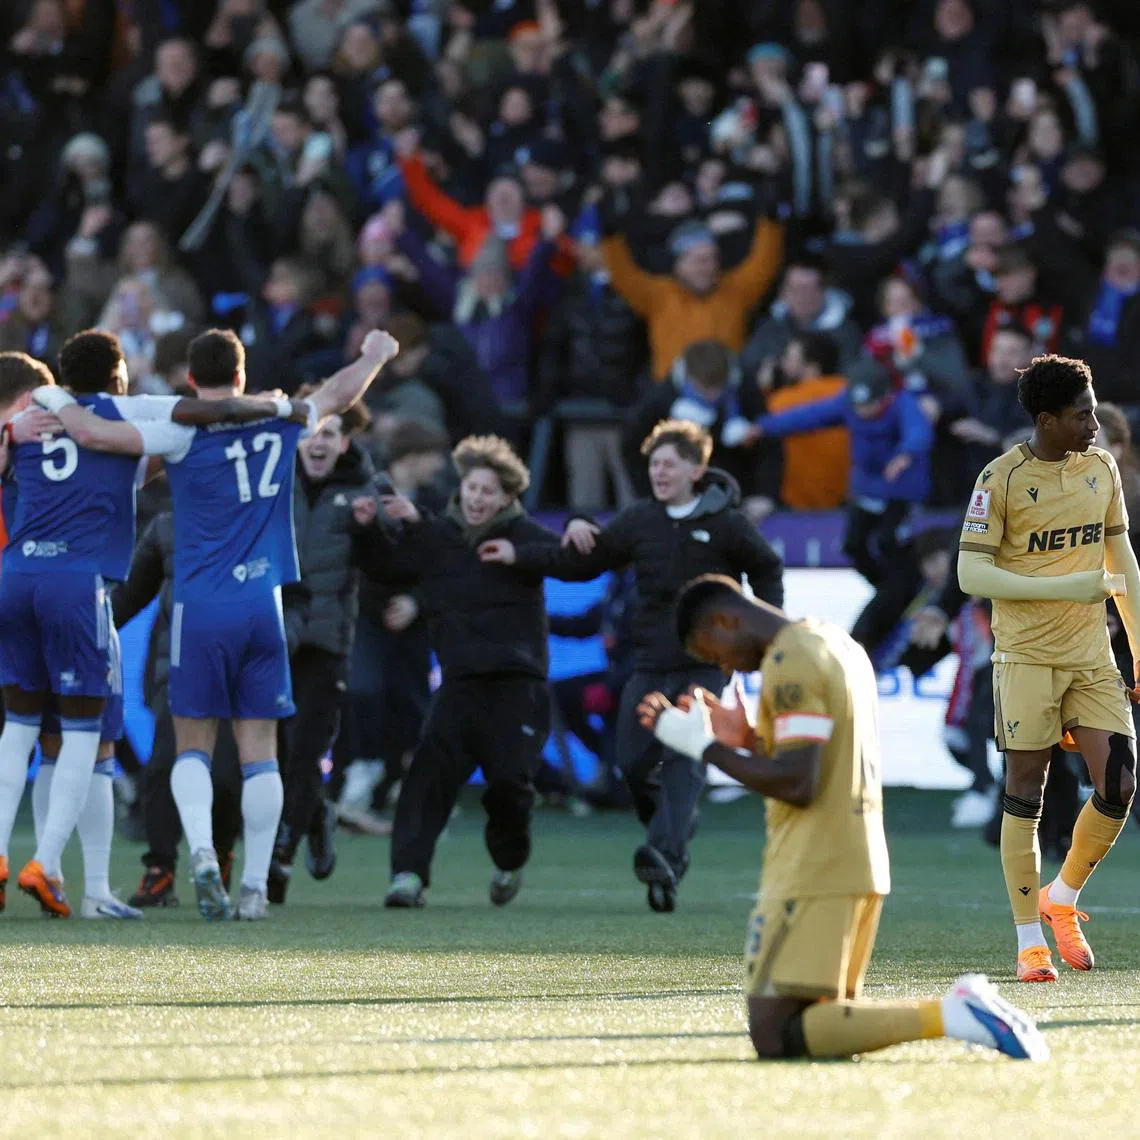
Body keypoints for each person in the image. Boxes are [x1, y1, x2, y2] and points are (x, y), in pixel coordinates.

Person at [38, 327, 401, 921]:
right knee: (261, 753)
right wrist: (375, 355)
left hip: (199, 608)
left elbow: (94, 433)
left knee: (192, 748)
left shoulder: (179, 430)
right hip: (264, 603)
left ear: (190, 380)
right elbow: (337, 393)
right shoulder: (280, 421)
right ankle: (254, 887)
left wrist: (50, 399)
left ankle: (204, 854)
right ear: (241, 374)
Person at [635, 573, 1048, 1063]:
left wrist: (701, 747)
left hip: (814, 864)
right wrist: (746, 741)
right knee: (807, 1025)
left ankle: (955, 1013)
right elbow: (816, 759)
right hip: (856, 856)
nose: (723, 666)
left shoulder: (791, 661)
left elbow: (797, 782)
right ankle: (953, 1015)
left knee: (773, 1031)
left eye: (714, 651)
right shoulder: (835, 643)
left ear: (725, 619)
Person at [0, 337, 293, 917]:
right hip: (80, 585)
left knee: (21, 729)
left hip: (17, 579)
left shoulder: (26, 423)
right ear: (119, 376)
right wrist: (276, 406)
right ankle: (52, 865)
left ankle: (36, 867)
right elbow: (202, 414)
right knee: (90, 735)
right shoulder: (129, 414)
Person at [479, 419, 784, 912]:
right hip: (648, 663)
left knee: (684, 760)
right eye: (653, 464)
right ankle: (671, 828)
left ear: (696, 468)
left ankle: (665, 853)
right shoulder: (640, 519)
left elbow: (766, 567)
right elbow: (585, 560)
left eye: (669, 464)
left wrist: (769, 632)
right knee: (634, 763)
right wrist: (524, 550)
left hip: (706, 665)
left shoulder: (727, 522)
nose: (659, 472)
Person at [957, 354, 1140, 982]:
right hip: (1025, 658)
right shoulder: (999, 479)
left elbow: (1124, 562)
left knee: (1118, 783)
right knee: (1025, 792)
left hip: (1091, 657)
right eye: (1081, 414)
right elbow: (969, 572)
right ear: (1046, 420)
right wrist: (1070, 588)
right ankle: (1029, 939)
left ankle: (1062, 898)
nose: (1094, 423)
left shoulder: (1102, 468)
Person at [351, 436, 560, 909]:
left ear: (507, 497)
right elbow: (386, 567)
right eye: (471, 487)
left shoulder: (524, 535)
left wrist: (519, 556)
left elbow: (572, 561)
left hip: (517, 687)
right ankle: (408, 875)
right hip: (460, 686)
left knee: (510, 784)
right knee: (427, 776)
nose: (477, 498)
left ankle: (509, 860)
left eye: (488, 491)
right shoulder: (438, 536)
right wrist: (368, 530)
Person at [269, 392, 377, 904]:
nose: (319, 442)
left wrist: (375, 529)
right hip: (274, 637)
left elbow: (394, 559)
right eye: (312, 431)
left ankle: (281, 858)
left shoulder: (365, 492)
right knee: (282, 751)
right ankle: (317, 817)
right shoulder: (274, 483)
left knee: (306, 752)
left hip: (328, 642)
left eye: (330, 433)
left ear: (346, 442)